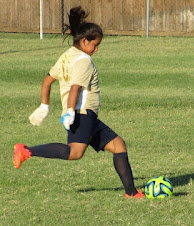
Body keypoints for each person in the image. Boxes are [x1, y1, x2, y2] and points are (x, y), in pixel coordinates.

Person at [13, 6, 144, 198]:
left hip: (84, 115)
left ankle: (131, 193)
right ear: (84, 41)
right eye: (95, 44)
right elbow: (75, 87)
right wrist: (70, 112)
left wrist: (45, 106)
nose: (97, 49)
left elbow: (47, 80)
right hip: (82, 114)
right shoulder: (84, 61)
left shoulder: (67, 56)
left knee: (118, 145)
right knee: (75, 152)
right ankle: (26, 151)